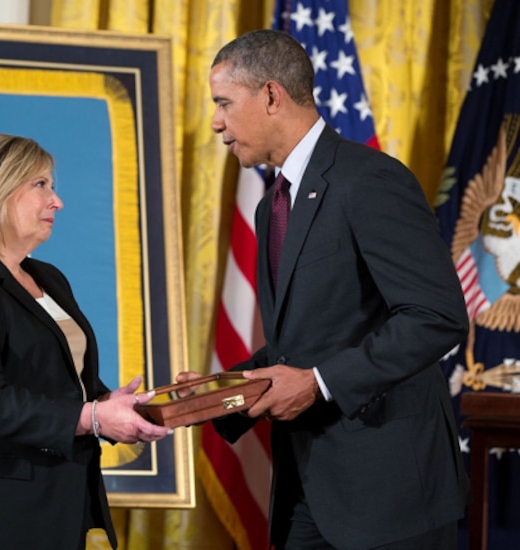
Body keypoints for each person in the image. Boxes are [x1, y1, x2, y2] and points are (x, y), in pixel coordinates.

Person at [178, 29, 470, 549]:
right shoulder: (272, 206)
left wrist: (318, 383)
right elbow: (305, 341)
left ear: (271, 95)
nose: (217, 122)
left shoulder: (370, 181)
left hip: (389, 495)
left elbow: (435, 315)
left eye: (223, 102)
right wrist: (220, 391)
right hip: (306, 492)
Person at [0, 134, 172, 550]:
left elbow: (57, 381)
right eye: (41, 185)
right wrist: (92, 417)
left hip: (52, 507)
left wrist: (111, 404)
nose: (57, 201)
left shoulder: (49, 278)